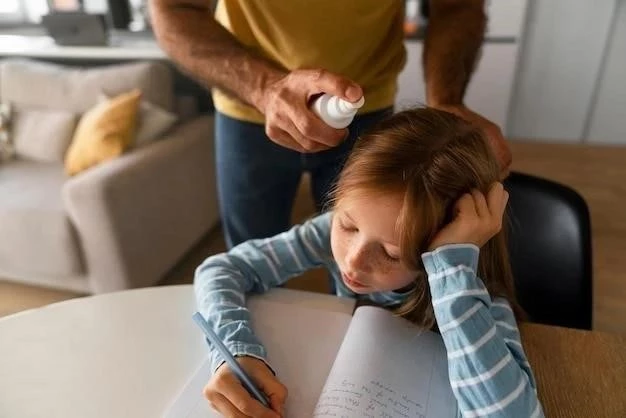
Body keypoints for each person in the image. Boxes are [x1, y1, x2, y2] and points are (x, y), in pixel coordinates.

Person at [193, 107, 543, 418]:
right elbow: (222, 269)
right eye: (347, 225)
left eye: (391, 253)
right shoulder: (326, 235)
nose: (354, 261)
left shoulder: (476, 298)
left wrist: (451, 268)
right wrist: (235, 352)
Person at [150, 0, 512, 250]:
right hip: (248, 110)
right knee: (250, 249)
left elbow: (458, 7)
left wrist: (446, 101)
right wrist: (264, 88)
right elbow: (174, 8)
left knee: (376, 257)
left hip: (368, 109)